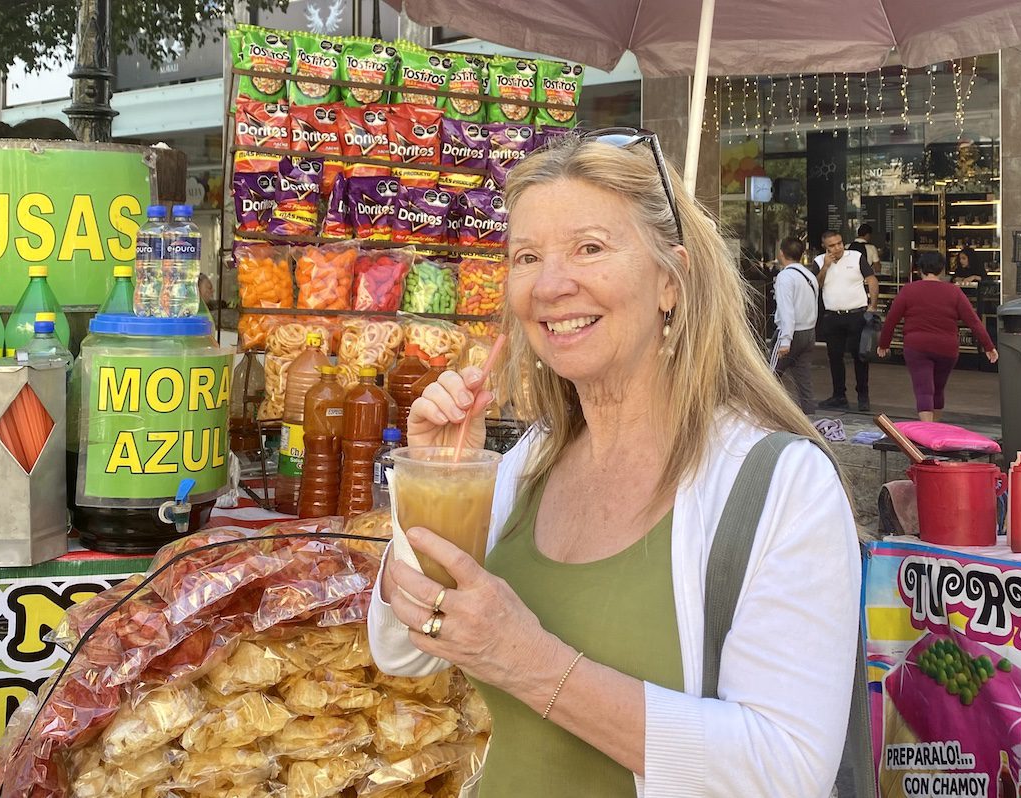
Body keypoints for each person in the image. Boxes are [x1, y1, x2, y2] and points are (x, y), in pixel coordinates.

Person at [367, 133, 861, 796]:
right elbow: (404, 650)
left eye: (589, 248)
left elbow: (784, 772)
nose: (549, 284)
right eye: (526, 256)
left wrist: (529, 663)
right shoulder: (527, 464)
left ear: (669, 280)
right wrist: (434, 476)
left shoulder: (780, 486)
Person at [877, 252, 998, 422]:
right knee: (938, 389)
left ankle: (928, 430)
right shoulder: (954, 292)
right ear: (942, 270)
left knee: (923, 389)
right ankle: (936, 428)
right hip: (947, 347)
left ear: (920, 270)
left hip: (917, 346)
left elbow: (891, 319)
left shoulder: (909, 290)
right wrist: (989, 346)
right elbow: (974, 322)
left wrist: (884, 343)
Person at [816, 230, 879, 412]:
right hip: (832, 315)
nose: (837, 248)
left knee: (861, 356)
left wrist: (872, 305)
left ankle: (863, 396)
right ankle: (839, 395)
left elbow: (872, 279)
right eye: (832, 245)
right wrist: (825, 267)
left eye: (839, 243)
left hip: (856, 314)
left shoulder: (856, 256)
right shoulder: (820, 261)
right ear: (825, 247)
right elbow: (816, 285)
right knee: (835, 357)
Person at [772, 236, 819, 413]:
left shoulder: (785, 276)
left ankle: (768, 412)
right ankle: (809, 413)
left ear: (781, 253)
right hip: (808, 332)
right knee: (803, 378)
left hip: (790, 333)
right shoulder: (809, 275)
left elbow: (786, 310)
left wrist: (785, 340)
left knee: (770, 377)